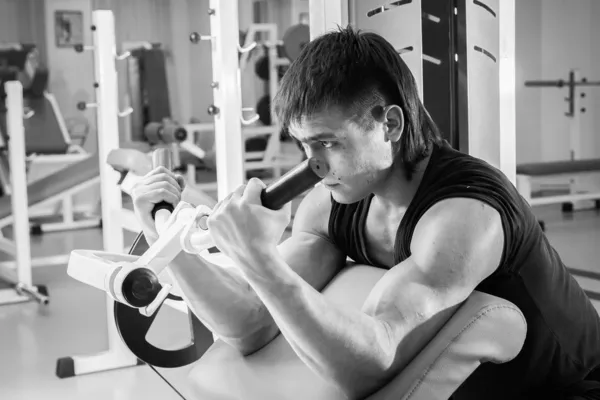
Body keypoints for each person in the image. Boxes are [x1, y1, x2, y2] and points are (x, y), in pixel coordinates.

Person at [131, 27, 600, 399]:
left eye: (327, 143)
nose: (313, 165)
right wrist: (169, 240)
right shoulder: (333, 200)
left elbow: (369, 364)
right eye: (304, 145)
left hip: (565, 390)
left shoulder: (463, 216)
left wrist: (259, 260)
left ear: (390, 124)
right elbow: (251, 327)